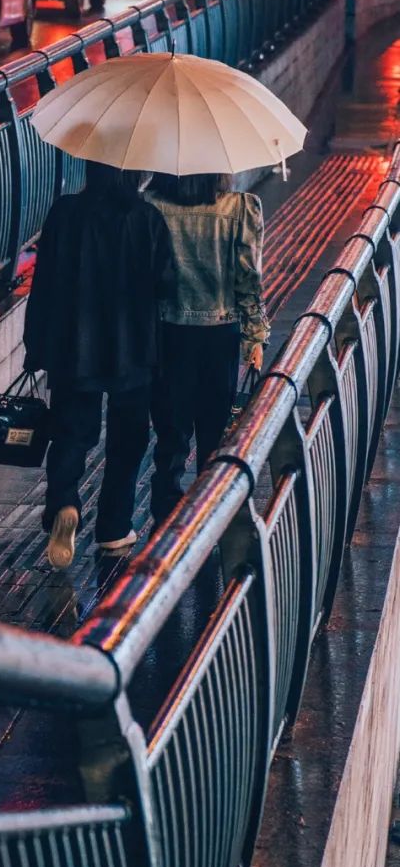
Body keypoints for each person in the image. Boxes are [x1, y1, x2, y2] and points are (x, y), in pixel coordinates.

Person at [24, 161, 175, 568]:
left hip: (75, 346)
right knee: (127, 441)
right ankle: (113, 528)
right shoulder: (147, 218)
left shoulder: (64, 213)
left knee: (71, 433)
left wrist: (35, 344)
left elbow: (44, 283)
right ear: (135, 172)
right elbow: (166, 285)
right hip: (134, 349)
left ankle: (64, 504)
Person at [148, 173, 267, 523]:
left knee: (171, 429)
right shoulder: (241, 208)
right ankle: (208, 513)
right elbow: (248, 279)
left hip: (167, 332)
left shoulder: (152, 207)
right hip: (220, 332)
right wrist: (255, 336)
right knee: (215, 430)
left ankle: (166, 512)